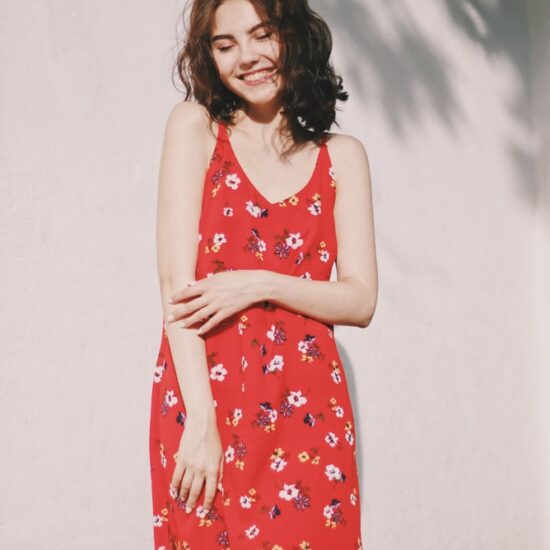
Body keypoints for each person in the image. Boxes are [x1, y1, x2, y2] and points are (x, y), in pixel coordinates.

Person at [149, 0, 378, 548]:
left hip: (309, 412)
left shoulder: (341, 157)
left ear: (293, 36)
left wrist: (262, 282)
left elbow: (361, 300)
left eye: (261, 35)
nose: (246, 57)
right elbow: (175, 292)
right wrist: (201, 424)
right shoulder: (196, 128)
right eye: (225, 45)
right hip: (207, 398)